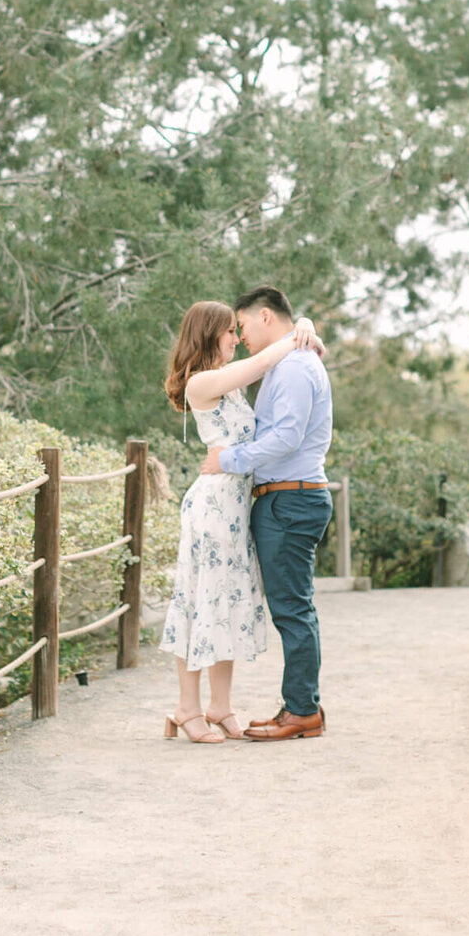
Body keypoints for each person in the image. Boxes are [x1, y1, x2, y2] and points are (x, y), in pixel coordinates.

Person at [160, 300, 324, 744]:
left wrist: (302, 326)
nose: (237, 336)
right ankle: (187, 708)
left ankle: (220, 706)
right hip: (213, 507)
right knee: (199, 603)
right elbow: (265, 359)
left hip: (236, 507)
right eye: (229, 331)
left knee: (225, 604)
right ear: (210, 334)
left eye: (238, 329)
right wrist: (301, 329)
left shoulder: (230, 387)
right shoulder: (205, 382)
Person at [199, 285, 333, 742]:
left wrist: (228, 460)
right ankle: (300, 706)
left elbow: (288, 437)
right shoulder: (288, 359)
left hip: (291, 501)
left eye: (243, 325)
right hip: (284, 498)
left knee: (293, 610)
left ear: (265, 317)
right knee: (294, 609)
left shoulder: (295, 366)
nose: (241, 334)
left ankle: (302, 711)